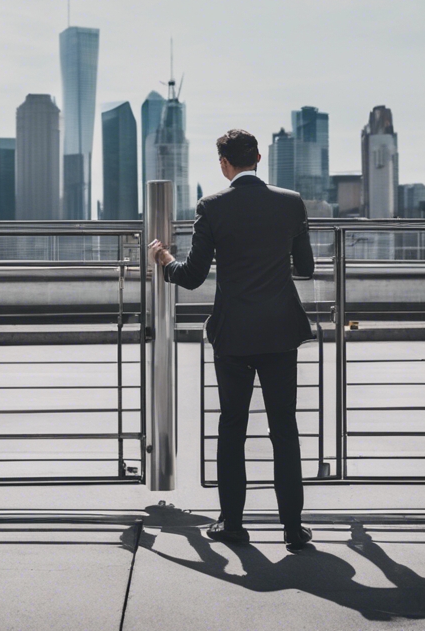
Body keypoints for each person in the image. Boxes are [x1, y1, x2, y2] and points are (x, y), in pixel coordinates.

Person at [149, 128, 315, 551]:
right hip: (280, 331)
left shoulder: (213, 207)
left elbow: (191, 277)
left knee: (232, 428)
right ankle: (293, 529)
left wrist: (164, 258)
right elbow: (306, 268)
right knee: (285, 429)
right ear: (259, 156)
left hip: (234, 335)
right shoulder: (291, 202)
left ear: (224, 164)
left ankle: (233, 524)